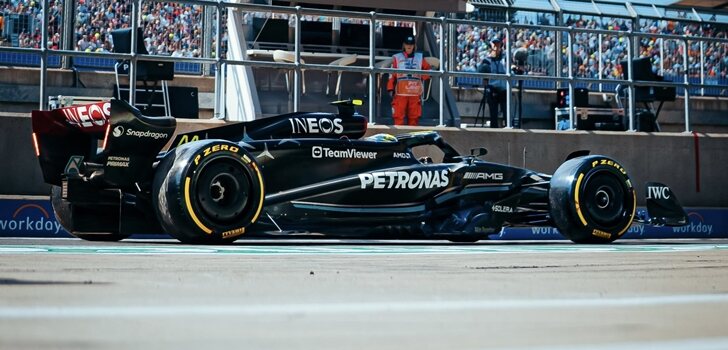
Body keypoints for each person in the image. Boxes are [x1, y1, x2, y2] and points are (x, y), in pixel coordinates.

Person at [387, 35, 431, 126]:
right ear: (404, 45)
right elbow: (392, 75)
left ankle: (412, 138)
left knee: (414, 117)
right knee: (398, 116)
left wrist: (424, 75)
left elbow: (428, 71)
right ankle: (398, 137)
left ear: (414, 45)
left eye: (411, 44)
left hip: (415, 93)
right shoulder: (397, 58)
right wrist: (390, 88)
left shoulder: (420, 58)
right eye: (407, 44)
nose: (409, 46)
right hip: (400, 93)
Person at [479, 38, 508, 128]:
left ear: (501, 46)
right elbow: (481, 72)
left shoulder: (505, 59)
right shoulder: (487, 60)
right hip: (492, 89)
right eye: (494, 44)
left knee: (507, 114)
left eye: (498, 44)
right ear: (490, 46)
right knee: (493, 115)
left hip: (503, 89)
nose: (496, 46)